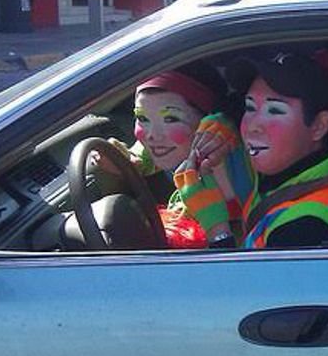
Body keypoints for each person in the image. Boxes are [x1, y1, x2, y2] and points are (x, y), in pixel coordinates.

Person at [174, 52, 328, 249]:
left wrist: (217, 230)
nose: (252, 126)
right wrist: (225, 119)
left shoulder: (308, 226)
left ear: (319, 126)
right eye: (250, 108)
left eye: (275, 111)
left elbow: (249, 273)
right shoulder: (296, 168)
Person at [91, 62, 230, 248]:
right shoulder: (174, 150)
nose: (152, 135)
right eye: (142, 118)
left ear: (208, 122)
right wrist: (131, 162)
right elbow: (143, 153)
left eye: (170, 119)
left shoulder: (230, 170)